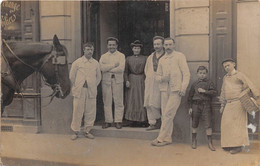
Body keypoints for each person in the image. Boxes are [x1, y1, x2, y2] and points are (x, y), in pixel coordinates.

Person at [151, 37, 190, 146]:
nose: (168, 47)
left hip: (176, 90)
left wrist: (183, 88)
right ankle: (167, 139)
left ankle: (160, 138)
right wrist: (163, 78)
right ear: (164, 46)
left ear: (174, 45)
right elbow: (157, 76)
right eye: (166, 45)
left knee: (168, 113)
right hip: (164, 90)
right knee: (165, 115)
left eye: (170, 45)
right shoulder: (162, 59)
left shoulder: (179, 56)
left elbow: (186, 74)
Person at [219, 58, 260, 154]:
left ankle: (238, 146)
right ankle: (228, 144)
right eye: (225, 66)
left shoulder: (240, 75)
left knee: (238, 125)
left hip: (238, 103)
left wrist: (257, 97)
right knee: (226, 123)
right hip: (228, 103)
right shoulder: (225, 78)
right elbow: (223, 91)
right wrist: (222, 105)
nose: (226, 67)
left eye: (228, 65)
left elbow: (250, 85)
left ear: (234, 64)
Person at [70, 42, 101, 140]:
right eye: (87, 49)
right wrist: (78, 85)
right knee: (77, 110)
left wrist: (92, 85)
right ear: (84, 50)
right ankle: (75, 131)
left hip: (91, 90)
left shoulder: (96, 63)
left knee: (90, 111)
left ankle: (87, 131)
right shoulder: (77, 62)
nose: (90, 51)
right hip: (79, 90)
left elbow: (99, 77)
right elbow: (72, 76)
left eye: (91, 49)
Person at [188, 66, 217, 151]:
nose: (202, 75)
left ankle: (210, 143)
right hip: (195, 105)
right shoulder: (194, 84)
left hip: (206, 105)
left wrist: (205, 91)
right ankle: (194, 141)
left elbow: (214, 92)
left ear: (206, 74)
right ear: (197, 74)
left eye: (204, 73)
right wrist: (190, 107)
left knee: (208, 124)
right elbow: (190, 97)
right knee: (194, 123)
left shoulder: (209, 83)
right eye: (200, 73)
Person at [99, 37, 125, 129]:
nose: (111, 46)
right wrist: (113, 65)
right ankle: (108, 121)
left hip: (117, 80)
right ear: (107, 46)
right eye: (110, 45)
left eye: (113, 45)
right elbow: (101, 68)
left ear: (116, 45)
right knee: (107, 101)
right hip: (106, 81)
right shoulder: (104, 56)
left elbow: (121, 69)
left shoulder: (121, 56)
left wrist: (108, 69)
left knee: (118, 101)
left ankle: (118, 121)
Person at [124, 40, 147, 127]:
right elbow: (125, 71)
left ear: (140, 49)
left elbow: (147, 70)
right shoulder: (128, 59)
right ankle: (132, 120)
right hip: (132, 80)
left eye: (138, 48)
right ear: (132, 49)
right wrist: (126, 80)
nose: (136, 50)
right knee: (132, 99)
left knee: (141, 99)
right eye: (135, 48)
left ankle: (142, 120)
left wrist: (146, 80)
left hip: (141, 79)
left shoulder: (145, 58)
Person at [144, 36, 165, 130]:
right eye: (155, 44)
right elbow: (146, 70)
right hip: (150, 82)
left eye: (158, 44)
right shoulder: (150, 57)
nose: (156, 46)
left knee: (158, 103)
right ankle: (152, 123)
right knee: (148, 103)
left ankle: (160, 121)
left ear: (162, 45)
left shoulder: (166, 56)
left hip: (161, 82)